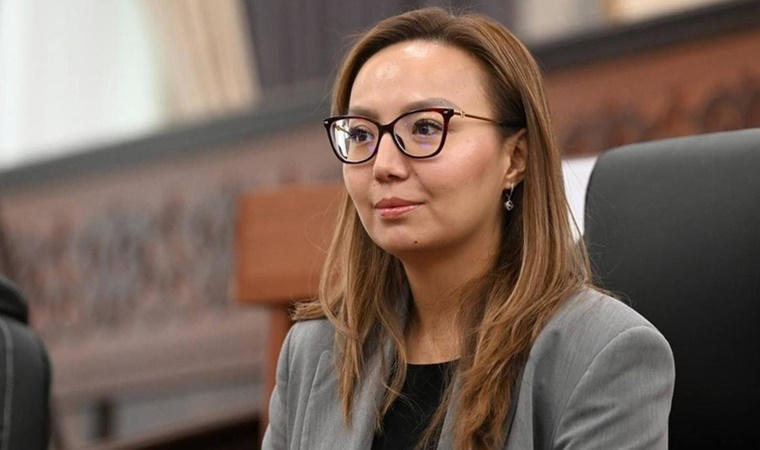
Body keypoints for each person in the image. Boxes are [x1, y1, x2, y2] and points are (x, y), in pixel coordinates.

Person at [263, 7, 675, 450]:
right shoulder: (312, 352)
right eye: (362, 134)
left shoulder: (605, 353)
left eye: (425, 127)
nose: (383, 166)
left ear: (515, 158)